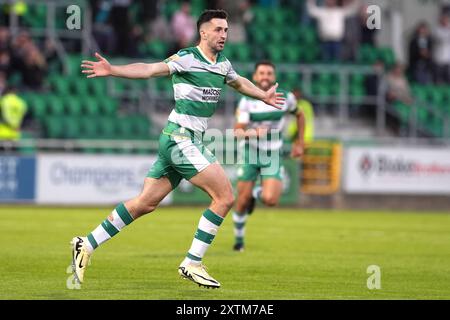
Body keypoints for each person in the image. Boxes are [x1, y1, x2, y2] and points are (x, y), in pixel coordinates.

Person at [77, 9, 285, 289]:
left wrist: (263, 95)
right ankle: (192, 262)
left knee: (144, 204)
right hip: (180, 138)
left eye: (226, 30)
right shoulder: (187, 58)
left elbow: (239, 82)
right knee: (224, 197)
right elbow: (150, 69)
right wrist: (114, 70)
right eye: (218, 30)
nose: (224, 34)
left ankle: (86, 244)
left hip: (179, 138)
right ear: (203, 32)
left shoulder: (222, 64)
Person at [231, 61, 304, 252]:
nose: (265, 76)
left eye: (269, 73)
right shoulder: (246, 101)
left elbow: (300, 115)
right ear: (254, 77)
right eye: (261, 73)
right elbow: (237, 132)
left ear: (274, 77)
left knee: (271, 200)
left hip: (272, 153)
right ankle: (239, 241)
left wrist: (299, 143)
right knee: (241, 200)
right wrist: (252, 133)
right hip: (250, 152)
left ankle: (256, 194)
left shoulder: (286, 98)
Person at [433, 12, 450, 84]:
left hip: (448, 57)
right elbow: (441, 38)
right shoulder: (437, 29)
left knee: (447, 77)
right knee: (438, 77)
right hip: (439, 57)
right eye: (444, 20)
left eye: (446, 20)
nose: (445, 21)